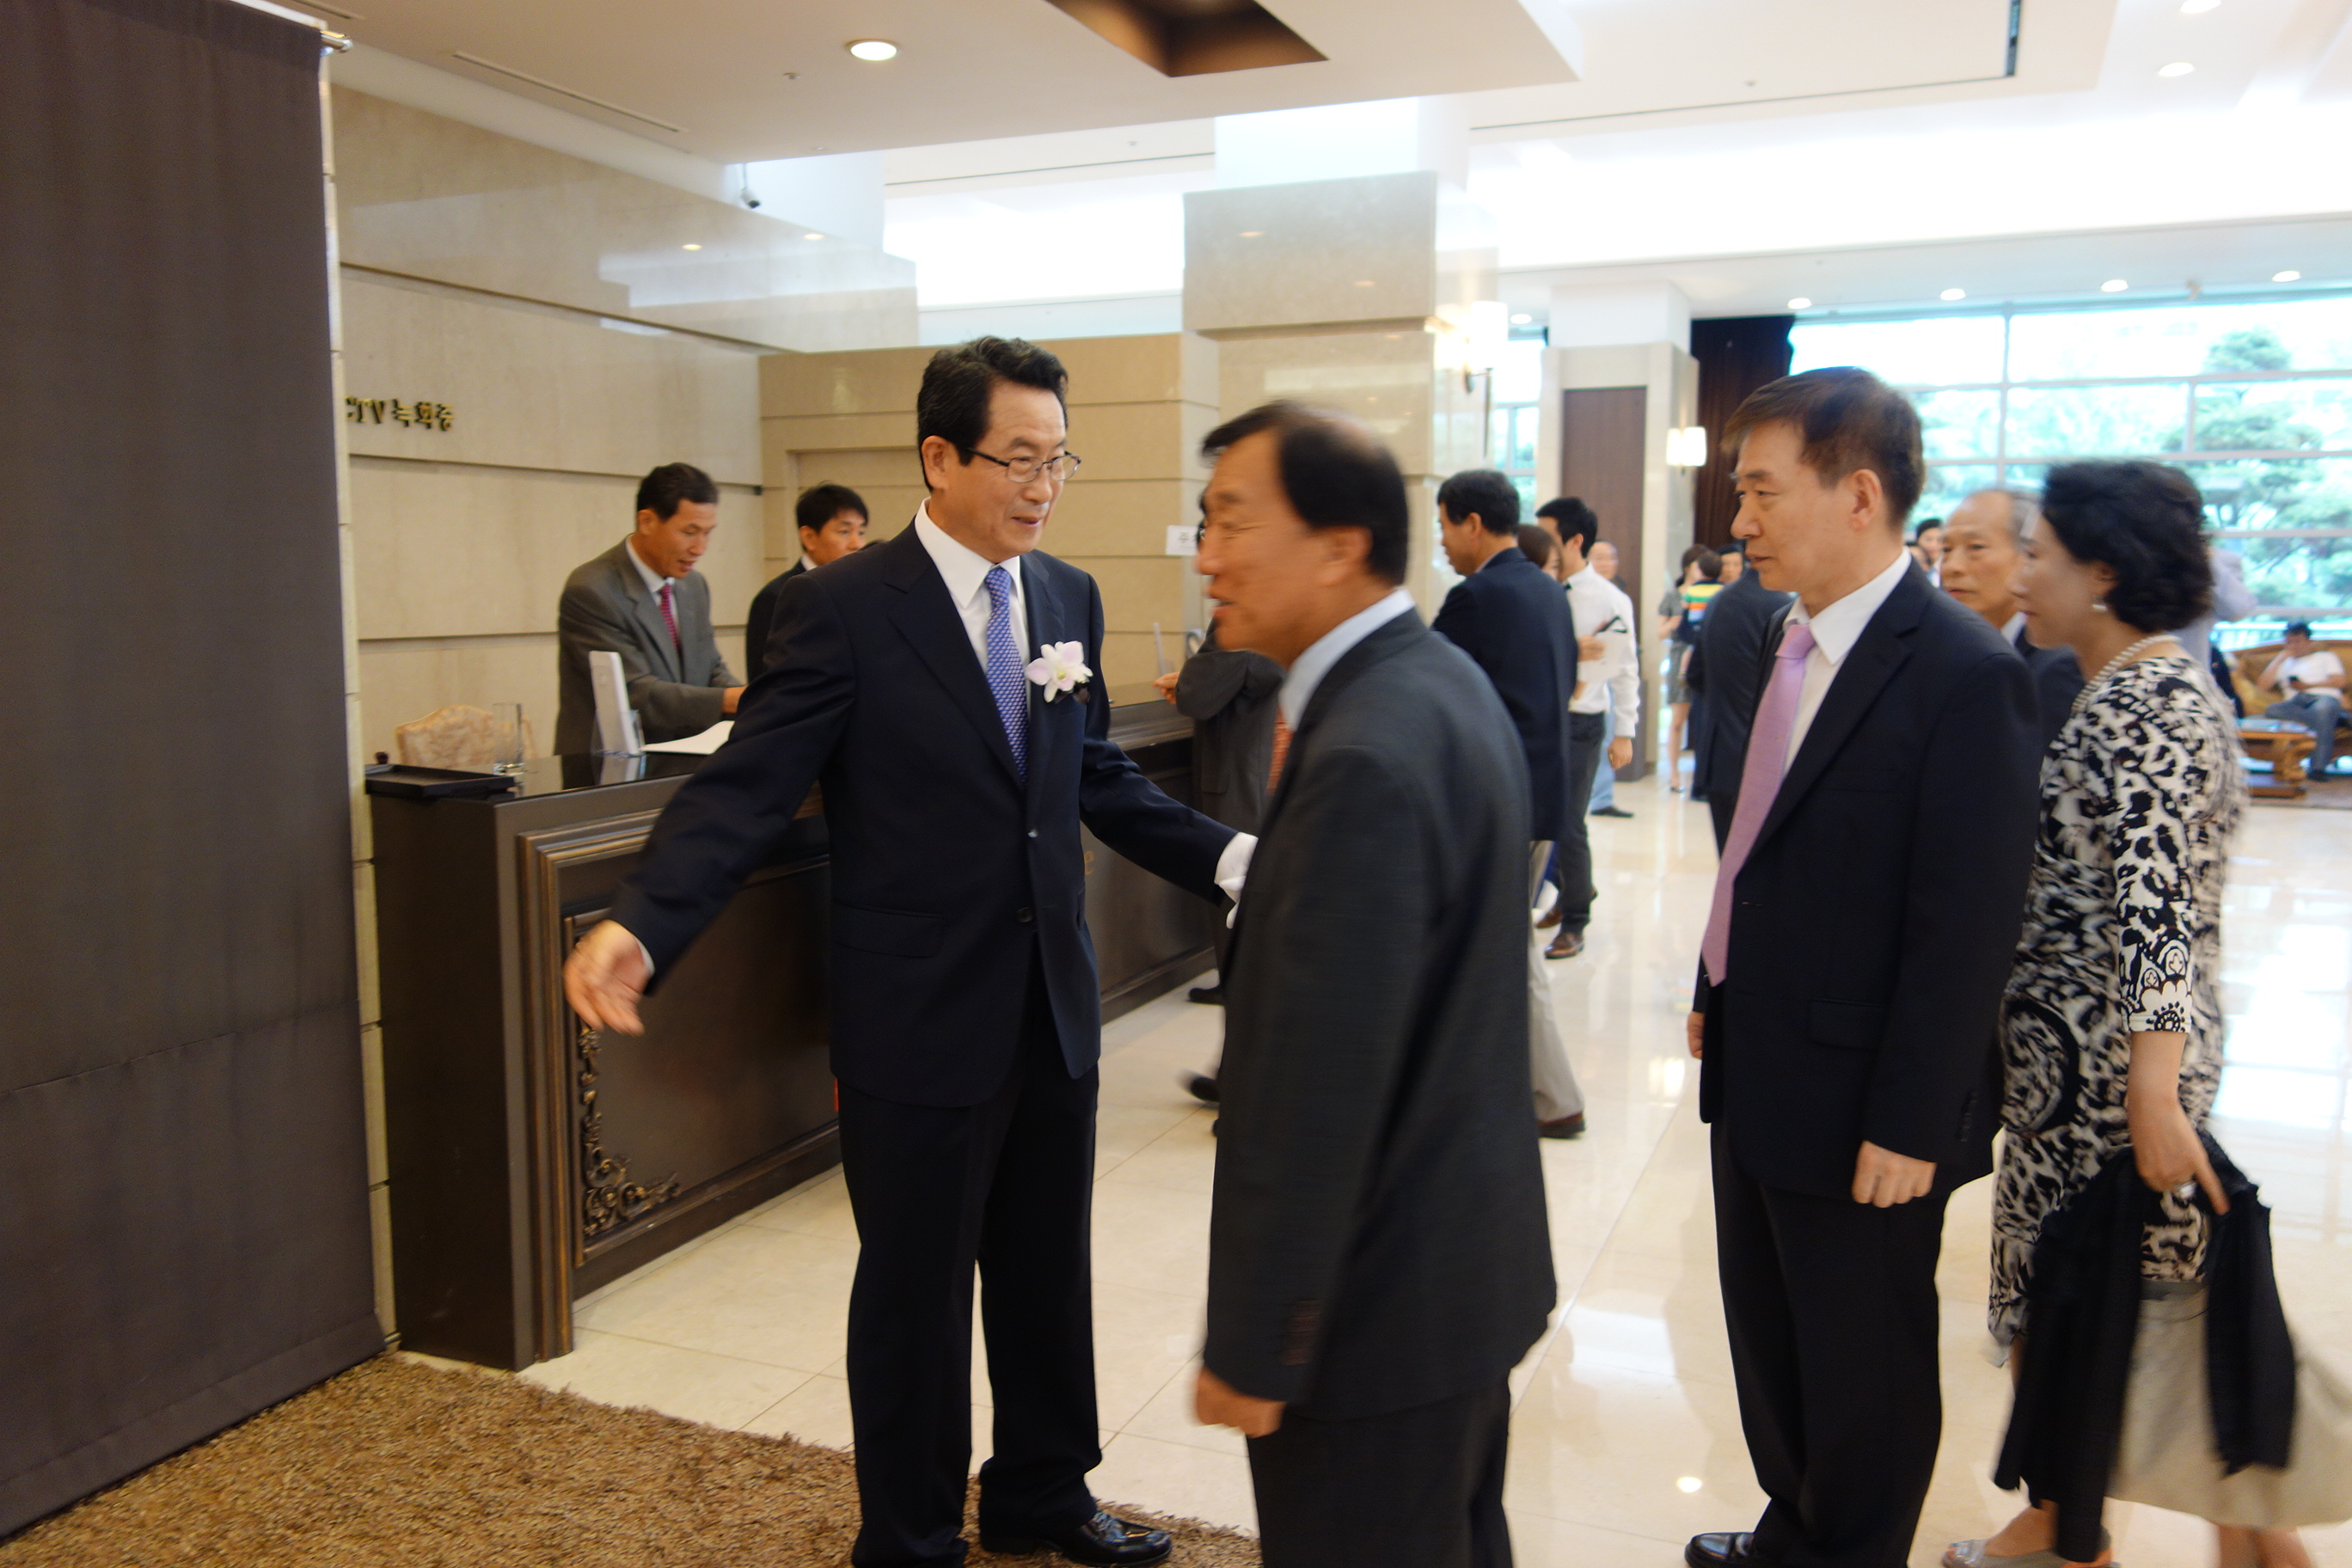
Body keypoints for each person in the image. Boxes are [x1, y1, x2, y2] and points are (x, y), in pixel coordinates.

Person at [562, 338, 1249, 1568]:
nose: (1043, 486)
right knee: (916, 1297)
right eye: (1018, 459)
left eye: (1059, 460)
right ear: (939, 456)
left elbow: (1091, 773)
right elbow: (748, 787)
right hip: (916, 1017)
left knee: (1046, 1272)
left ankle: (1042, 1493)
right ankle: (912, 1536)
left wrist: (1237, 861)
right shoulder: (838, 608)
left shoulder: (1065, 596)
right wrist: (643, 920)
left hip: (1051, 1004)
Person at [1684, 367, 2040, 1568]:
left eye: (1762, 491)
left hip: (1866, 1102)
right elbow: (1762, 843)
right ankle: (1797, 1526)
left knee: (1862, 1363)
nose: (1741, 520)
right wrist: (1715, 982)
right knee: (1772, 1334)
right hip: (1761, 1053)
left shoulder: (1962, 671)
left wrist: (1911, 1119)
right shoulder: (1787, 638)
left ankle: (1852, 1549)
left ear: (1860, 494)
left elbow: (1967, 924)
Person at [1187, 401, 1553, 1568]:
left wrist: (1258, 1342)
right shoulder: (1438, 683)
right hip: (1454, 1279)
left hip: (1373, 1317)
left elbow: (1320, 1089)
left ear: (1340, 546)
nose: (1206, 557)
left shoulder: (1362, 753)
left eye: (1233, 522)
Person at [1956, 460, 2336, 1568]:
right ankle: (2069, 1525)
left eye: (2039, 556)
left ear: (2103, 574)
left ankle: (2235, 1540)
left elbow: (2155, 907)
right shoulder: (2133, 689)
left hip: (2110, 1077)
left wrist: (2153, 1092)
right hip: (2079, 1071)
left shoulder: (2151, 704)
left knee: (2135, 1305)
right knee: (2082, 1298)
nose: (2022, 576)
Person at [1433, 469, 1588, 1138]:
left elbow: (1427, 691)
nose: (1442, 542)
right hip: (1543, 796)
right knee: (1494, 947)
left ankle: (1554, 1097)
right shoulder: (1548, 589)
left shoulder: (1476, 596)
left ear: (1472, 523)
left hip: (1495, 805)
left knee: (1506, 951)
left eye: (1444, 526)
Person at [554, 462, 747, 754]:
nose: (699, 548)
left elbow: (710, 668)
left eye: (708, 533)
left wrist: (751, 697)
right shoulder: (592, 590)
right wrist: (730, 700)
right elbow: (634, 693)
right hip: (611, 765)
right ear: (647, 521)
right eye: (690, 532)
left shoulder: (693, 585)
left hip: (686, 756)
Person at [1154, 616, 1283, 1023]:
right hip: (1263, 762)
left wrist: (1187, 682)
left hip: (1235, 768)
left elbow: (1198, 696)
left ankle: (1240, 985)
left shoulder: (1242, 613)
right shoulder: (1284, 610)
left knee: (1234, 877)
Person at [1534, 496, 1637, 961]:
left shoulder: (1609, 599)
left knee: (1569, 823)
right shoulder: (1537, 586)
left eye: (1548, 536)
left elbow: (1625, 669)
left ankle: (1575, 920)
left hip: (1581, 722)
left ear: (1575, 541)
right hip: (1539, 717)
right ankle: (1572, 887)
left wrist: (1625, 731)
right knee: (1537, 817)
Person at [1939, 487, 2085, 750]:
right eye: (1946, 549)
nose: (1951, 566)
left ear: (2028, 554)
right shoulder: (1951, 649)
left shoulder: (2054, 665)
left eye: (1976, 547)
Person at [1689, 542, 1794, 838]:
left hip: (1718, 757)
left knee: (1728, 858)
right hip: (1767, 761)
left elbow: (1695, 674)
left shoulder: (1719, 600)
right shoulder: (1784, 606)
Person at [745, 481, 870, 679]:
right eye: (844, 532)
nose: (857, 544)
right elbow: (763, 681)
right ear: (809, 537)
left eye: (861, 532)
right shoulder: (776, 597)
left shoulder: (863, 591)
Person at [1657, 545, 1723, 789]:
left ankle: (1702, 775)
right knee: (1677, 720)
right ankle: (1674, 775)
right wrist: (1676, 622)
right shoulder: (1674, 596)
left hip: (1708, 658)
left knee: (1706, 720)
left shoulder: (1716, 592)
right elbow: (1660, 632)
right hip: (1680, 657)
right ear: (1688, 567)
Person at [1583, 539, 1633, 818]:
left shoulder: (1618, 596)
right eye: (1599, 558)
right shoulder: (1575, 593)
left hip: (1611, 674)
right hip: (1585, 678)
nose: (1606, 564)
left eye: (1611, 558)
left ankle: (1602, 799)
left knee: (1607, 736)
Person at [2258, 620, 2345, 780]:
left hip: (2322, 698)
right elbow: (2263, 686)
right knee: (2272, 710)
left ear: (2309, 642)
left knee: (2323, 710)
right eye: (2289, 642)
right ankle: (2334, 719)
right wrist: (2278, 659)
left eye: (2297, 641)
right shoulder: (2284, 662)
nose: (2293, 646)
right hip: (2295, 703)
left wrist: (2307, 686)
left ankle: (2317, 769)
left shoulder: (2325, 656)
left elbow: (2339, 681)